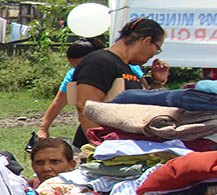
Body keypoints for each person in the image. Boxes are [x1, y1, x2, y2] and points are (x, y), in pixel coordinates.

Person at [70, 17, 169, 147]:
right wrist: (101, 146)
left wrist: (157, 83)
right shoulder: (100, 62)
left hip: (121, 144)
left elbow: (141, 107)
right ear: (146, 41)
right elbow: (85, 106)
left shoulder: (126, 67)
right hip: (104, 146)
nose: (153, 55)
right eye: (157, 49)